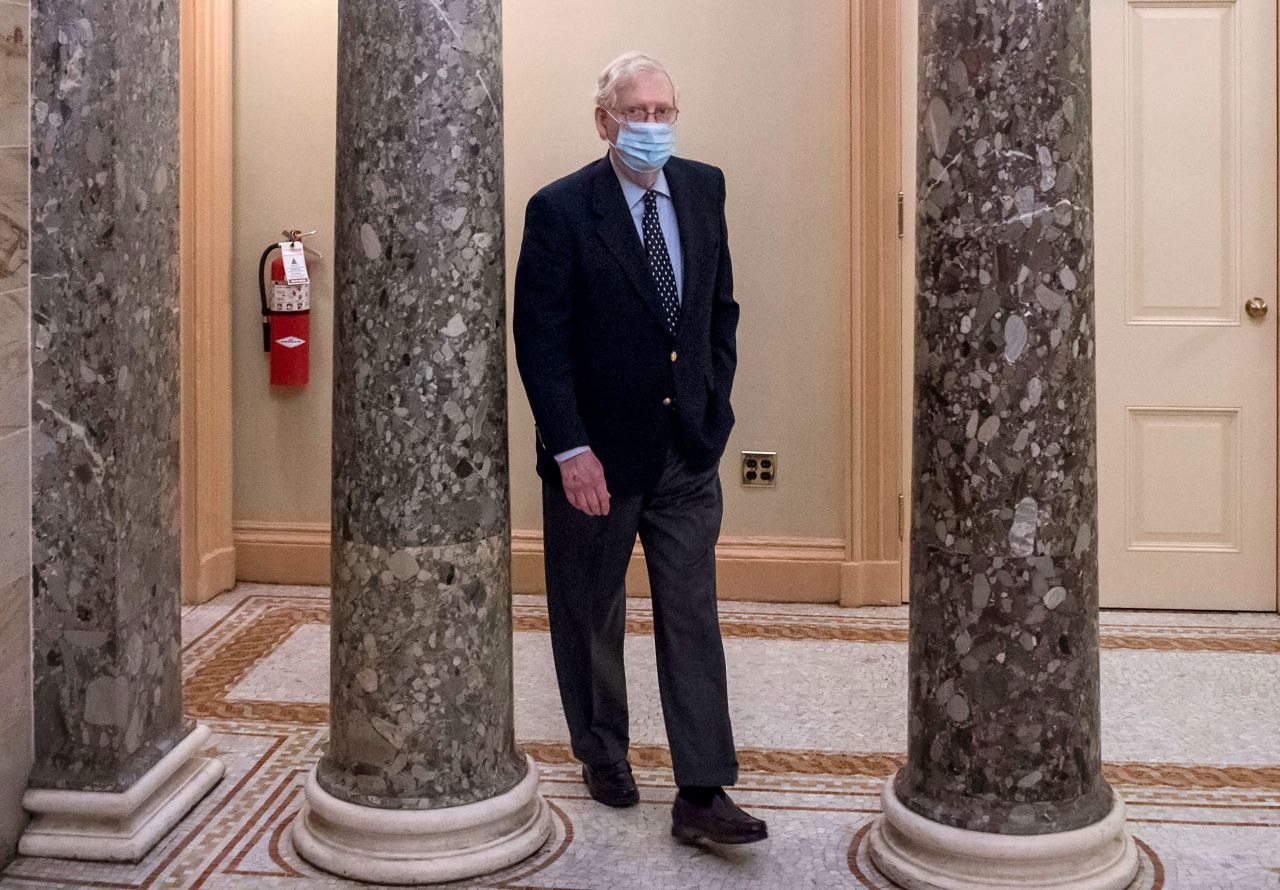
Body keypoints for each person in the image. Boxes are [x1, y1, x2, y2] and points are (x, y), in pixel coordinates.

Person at [513, 52, 765, 845]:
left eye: (664, 112)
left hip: (685, 451)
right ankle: (602, 750)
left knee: (692, 613)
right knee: (591, 611)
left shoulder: (705, 187)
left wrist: (714, 412)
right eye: (637, 112)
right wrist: (569, 449)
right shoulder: (560, 210)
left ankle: (702, 788)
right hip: (595, 458)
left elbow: (717, 310)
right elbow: (539, 341)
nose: (653, 126)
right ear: (604, 121)